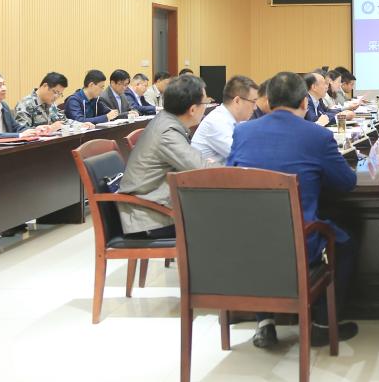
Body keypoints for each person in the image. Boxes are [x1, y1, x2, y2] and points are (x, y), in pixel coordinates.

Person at [227, 72, 360, 349]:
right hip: (300, 241)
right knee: (347, 237)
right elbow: (347, 183)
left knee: (264, 232)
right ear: (303, 102)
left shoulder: (243, 131)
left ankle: (265, 322)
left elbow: (232, 178)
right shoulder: (317, 135)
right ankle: (323, 323)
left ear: (268, 100)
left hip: (248, 239)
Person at [117, 75, 216, 238]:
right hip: (149, 216)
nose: (206, 107)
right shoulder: (167, 132)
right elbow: (202, 170)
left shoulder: (166, 120)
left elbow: (193, 163)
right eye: (205, 102)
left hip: (155, 204)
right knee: (221, 219)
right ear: (192, 109)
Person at [191, 75, 259, 162]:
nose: (255, 108)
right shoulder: (217, 121)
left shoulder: (235, 120)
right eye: (253, 102)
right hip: (204, 170)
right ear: (237, 101)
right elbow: (246, 157)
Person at [15, 72, 92, 133]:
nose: (57, 97)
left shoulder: (52, 104)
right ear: (45, 86)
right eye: (55, 92)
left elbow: (64, 121)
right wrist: (50, 128)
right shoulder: (25, 104)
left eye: (60, 94)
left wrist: (81, 125)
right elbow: (22, 131)